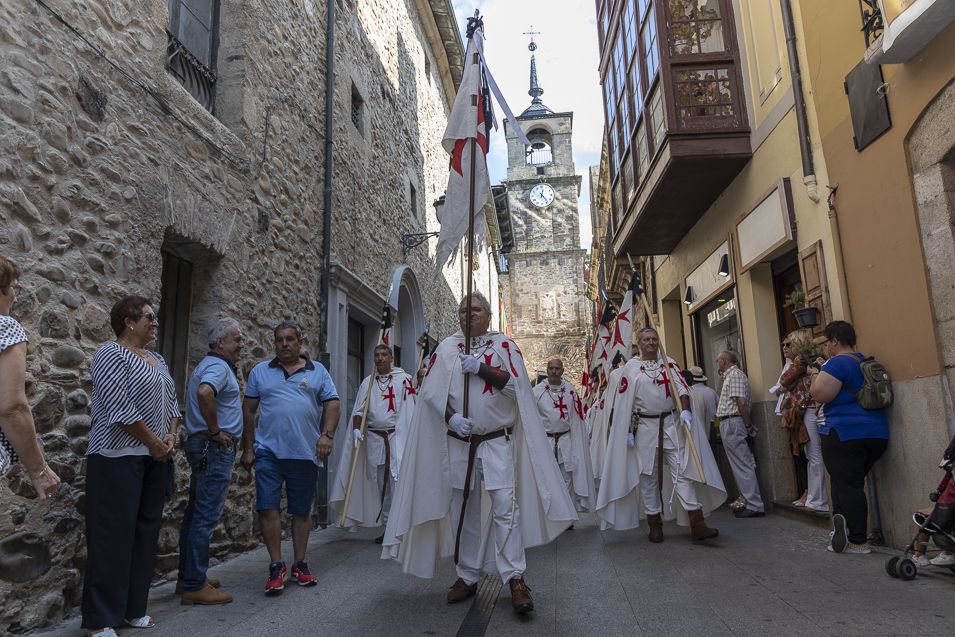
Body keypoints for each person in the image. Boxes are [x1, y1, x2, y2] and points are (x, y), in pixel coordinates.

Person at [382, 292, 576, 615]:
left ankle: (515, 578)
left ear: (487, 315)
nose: (467, 314)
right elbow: (430, 395)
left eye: (474, 309)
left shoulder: (504, 347)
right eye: (463, 310)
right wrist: (450, 418)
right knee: (463, 510)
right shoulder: (447, 349)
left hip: (497, 441)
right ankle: (467, 575)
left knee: (505, 509)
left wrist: (482, 369)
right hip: (461, 442)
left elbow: (517, 389)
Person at [82, 296, 180, 635]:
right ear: (128, 321)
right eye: (149, 317)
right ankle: (99, 620)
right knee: (111, 537)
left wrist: (170, 436)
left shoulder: (158, 359)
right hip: (115, 457)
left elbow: (173, 404)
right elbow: (118, 407)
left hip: (155, 457)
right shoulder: (110, 354)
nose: (155, 322)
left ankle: (133, 609)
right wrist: (152, 442)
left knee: (145, 534)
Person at [596, 328, 725, 542]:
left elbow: (682, 389)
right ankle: (654, 523)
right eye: (646, 339)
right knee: (648, 476)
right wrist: (627, 431)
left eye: (654, 339)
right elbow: (623, 404)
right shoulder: (631, 369)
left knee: (682, 472)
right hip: (645, 428)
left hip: (671, 425)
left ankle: (697, 522)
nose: (651, 343)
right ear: (639, 343)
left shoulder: (668, 362)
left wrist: (685, 410)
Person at [240, 322, 341, 594]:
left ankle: (300, 563)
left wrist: (326, 436)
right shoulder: (260, 371)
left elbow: (333, 403)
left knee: (301, 511)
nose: (284, 344)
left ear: (299, 342)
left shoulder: (318, 371)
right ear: (274, 343)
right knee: (267, 507)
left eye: (290, 339)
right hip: (268, 452)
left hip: (305, 452)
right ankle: (276, 565)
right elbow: (248, 410)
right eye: (279, 340)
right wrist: (248, 448)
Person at [177, 319, 245, 605]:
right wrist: (216, 431)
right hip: (213, 447)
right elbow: (205, 393)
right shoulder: (218, 367)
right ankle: (194, 584)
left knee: (195, 514)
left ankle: (188, 577)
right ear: (220, 343)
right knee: (205, 516)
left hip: (203, 444)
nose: (241, 344)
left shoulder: (207, 364)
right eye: (236, 339)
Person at [810, 320, 889, 554]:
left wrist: (814, 374)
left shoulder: (837, 363)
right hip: (877, 433)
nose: (827, 347)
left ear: (835, 340)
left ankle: (858, 541)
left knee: (850, 485)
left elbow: (819, 394)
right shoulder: (865, 361)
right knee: (843, 481)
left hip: (844, 432)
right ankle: (840, 524)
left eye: (827, 342)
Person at [330, 344, 415, 542]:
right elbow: (359, 411)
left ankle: (401, 530)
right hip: (375, 441)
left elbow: (412, 408)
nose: (380, 358)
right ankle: (387, 528)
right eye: (377, 355)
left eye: (384, 354)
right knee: (382, 487)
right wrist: (356, 429)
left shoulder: (404, 380)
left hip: (397, 439)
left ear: (391, 357)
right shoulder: (367, 383)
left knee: (398, 483)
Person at [0, 256, 60, 499]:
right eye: (15, 287)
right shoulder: (6, 327)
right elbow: (11, 407)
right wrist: (39, 469)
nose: (15, 297)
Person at [532, 357, 595, 512]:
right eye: (551, 368)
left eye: (557, 368)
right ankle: (549, 514)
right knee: (546, 478)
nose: (554, 371)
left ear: (562, 371)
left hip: (565, 440)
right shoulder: (537, 392)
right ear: (547, 370)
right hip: (545, 441)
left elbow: (577, 420)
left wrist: (578, 443)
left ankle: (567, 515)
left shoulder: (570, 391)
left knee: (566, 477)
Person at [778, 331, 828, 513]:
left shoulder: (801, 362)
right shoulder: (805, 362)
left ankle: (818, 500)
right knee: (811, 454)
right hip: (807, 409)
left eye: (789, 344)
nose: (785, 348)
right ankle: (815, 498)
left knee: (813, 455)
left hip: (809, 409)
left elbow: (784, 380)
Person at [716, 351, 765, 518]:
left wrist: (748, 424)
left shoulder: (735, 375)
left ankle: (754, 504)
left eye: (718, 360)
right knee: (739, 464)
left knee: (742, 464)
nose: (717, 363)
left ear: (724, 361)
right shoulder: (730, 376)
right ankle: (748, 500)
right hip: (731, 421)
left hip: (733, 421)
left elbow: (741, 402)